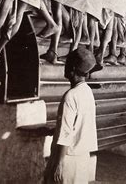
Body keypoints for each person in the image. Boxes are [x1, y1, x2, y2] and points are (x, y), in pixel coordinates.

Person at [45, 48, 97, 184]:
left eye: (67, 63)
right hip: (81, 160)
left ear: (72, 68)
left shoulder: (71, 96)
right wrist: (55, 130)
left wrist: (59, 164)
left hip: (66, 159)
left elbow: (66, 134)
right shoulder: (87, 91)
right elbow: (80, 125)